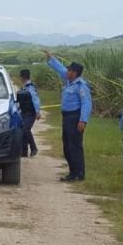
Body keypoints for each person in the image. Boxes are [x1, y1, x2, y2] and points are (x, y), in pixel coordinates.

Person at [43, 50, 92, 182]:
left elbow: (86, 104)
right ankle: (72, 172)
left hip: (75, 118)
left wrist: (82, 121)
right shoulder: (69, 81)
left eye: (69, 70)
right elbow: (60, 69)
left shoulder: (81, 86)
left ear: (74, 73)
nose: (66, 72)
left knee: (75, 145)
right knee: (67, 146)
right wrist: (51, 58)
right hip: (67, 118)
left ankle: (79, 173)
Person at [18, 69, 41, 157]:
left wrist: (37, 112)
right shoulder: (24, 88)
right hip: (24, 112)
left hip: (30, 113)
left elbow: (35, 100)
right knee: (22, 130)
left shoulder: (30, 88)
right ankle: (24, 151)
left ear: (23, 77)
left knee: (25, 129)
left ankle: (33, 147)